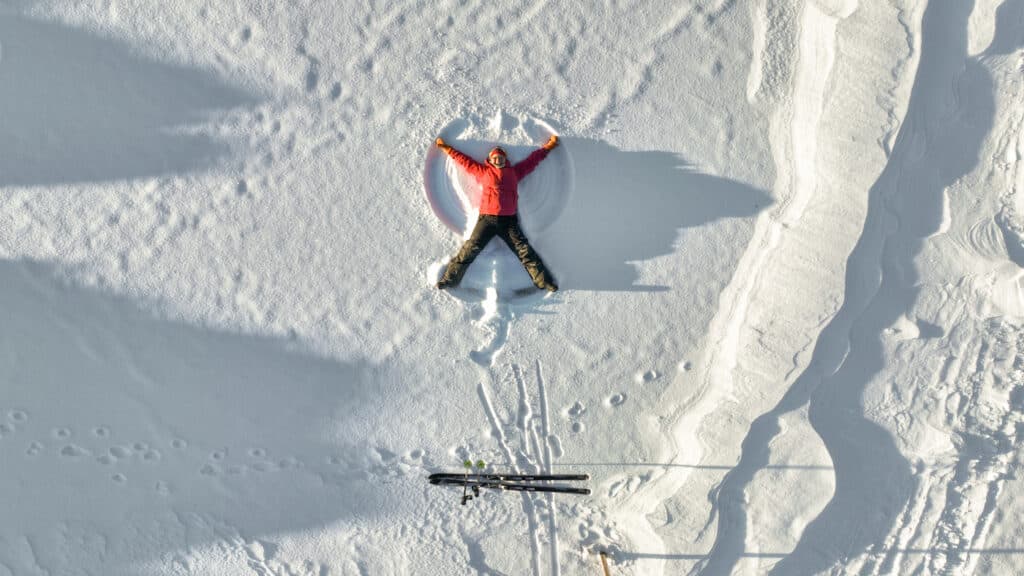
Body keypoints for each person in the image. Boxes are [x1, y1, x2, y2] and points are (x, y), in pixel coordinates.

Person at [434, 134, 560, 292]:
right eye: (495, 158)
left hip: (509, 222)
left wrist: (548, 147)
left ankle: (544, 281)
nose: (498, 160)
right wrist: (447, 148)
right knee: (469, 250)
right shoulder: (483, 172)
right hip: (486, 220)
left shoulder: (515, 172)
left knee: (525, 251)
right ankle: (449, 279)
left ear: (505, 159)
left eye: (500, 158)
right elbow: (464, 161)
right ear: (490, 160)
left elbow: (533, 161)